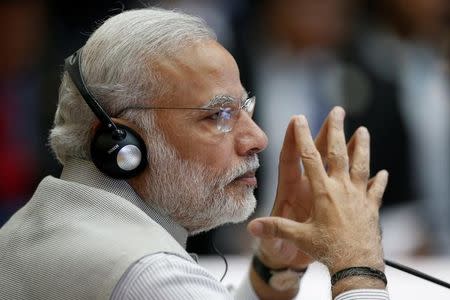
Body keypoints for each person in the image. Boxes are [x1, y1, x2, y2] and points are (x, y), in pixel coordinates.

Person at [0, 8, 390, 300]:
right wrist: (357, 262)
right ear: (124, 144)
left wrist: (276, 267)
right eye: (219, 115)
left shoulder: (37, 225)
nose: (257, 138)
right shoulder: (147, 273)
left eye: (245, 109)